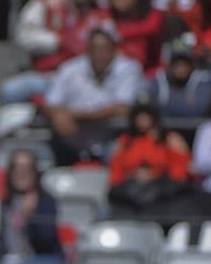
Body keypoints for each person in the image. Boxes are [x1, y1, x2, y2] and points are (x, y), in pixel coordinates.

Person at [3, 0, 108, 103]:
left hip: (83, 79)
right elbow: (23, 36)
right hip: (47, 75)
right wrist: (58, 40)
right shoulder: (46, 1)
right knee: (11, 90)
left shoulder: (100, 14)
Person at [43, 26, 144, 165]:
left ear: (114, 50)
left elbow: (123, 108)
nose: (100, 54)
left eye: (104, 49)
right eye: (95, 49)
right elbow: (50, 103)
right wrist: (57, 115)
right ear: (88, 50)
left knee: (122, 153)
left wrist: (75, 115)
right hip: (71, 141)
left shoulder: (129, 69)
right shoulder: (70, 69)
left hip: (109, 140)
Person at [0, 150, 68, 264]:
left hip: (42, 259)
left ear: (35, 173)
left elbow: (46, 241)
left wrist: (29, 215)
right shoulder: (5, 203)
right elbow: (0, 242)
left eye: (27, 169)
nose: (21, 174)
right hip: (10, 259)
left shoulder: (46, 201)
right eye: (17, 169)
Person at [108, 100, 192, 219]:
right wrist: (133, 176)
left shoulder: (169, 139)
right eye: (139, 115)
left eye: (146, 115)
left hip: (162, 195)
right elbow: (116, 172)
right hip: (131, 194)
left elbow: (180, 171)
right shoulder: (125, 141)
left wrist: (154, 175)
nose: (142, 119)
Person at [149, 38, 211, 121]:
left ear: (192, 65)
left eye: (184, 64)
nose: (181, 69)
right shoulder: (158, 81)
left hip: (200, 128)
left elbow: (198, 110)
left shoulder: (205, 81)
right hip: (165, 128)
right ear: (170, 66)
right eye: (177, 64)